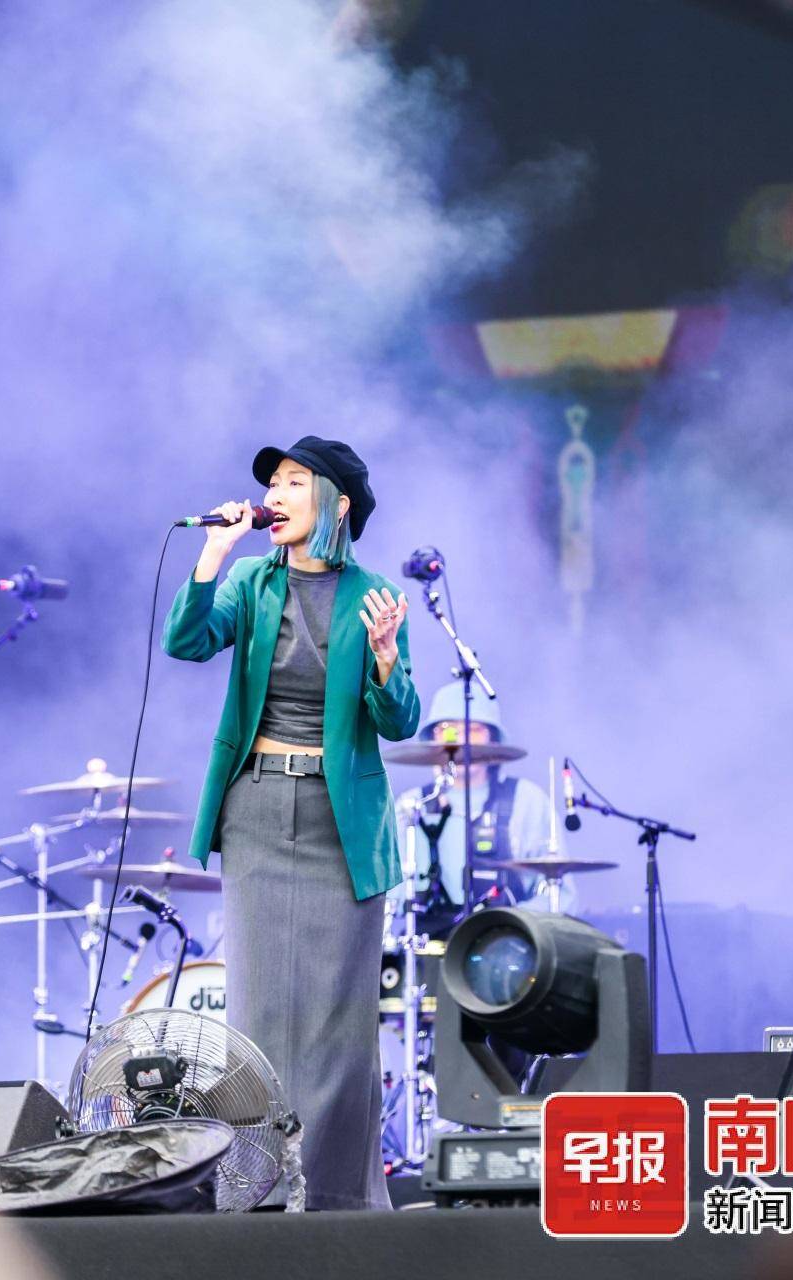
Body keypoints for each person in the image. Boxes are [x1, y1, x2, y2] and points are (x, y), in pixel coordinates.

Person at [163, 435, 420, 1210]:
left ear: (335, 503)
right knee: (259, 1014)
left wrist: (384, 659)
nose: (274, 494)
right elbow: (186, 642)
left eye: (293, 481)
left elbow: (400, 719)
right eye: (272, 482)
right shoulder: (251, 580)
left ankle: (338, 1202)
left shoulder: (374, 596)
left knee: (339, 1027)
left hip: (343, 824)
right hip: (258, 811)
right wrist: (213, 553)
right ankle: (256, 1192)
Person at [391, 682, 557, 927]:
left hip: (506, 940)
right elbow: (388, 898)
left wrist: (510, 925)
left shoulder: (527, 801)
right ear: (433, 738)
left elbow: (559, 895)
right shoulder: (411, 805)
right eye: (448, 729)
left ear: (493, 738)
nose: (461, 738)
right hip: (428, 942)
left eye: (474, 729)